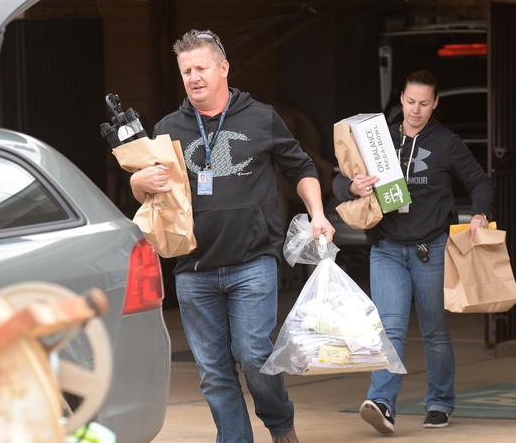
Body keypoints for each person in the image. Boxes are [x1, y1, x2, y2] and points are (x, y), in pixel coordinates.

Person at [130, 29, 334, 443]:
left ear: (223, 68)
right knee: (213, 372)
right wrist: (139, 179)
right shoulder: (168, 127)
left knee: (255, 357)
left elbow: (302, 168)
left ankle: (280, 424)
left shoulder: (260, 117)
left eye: (201, 68)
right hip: (193, 268)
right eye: (186, 71)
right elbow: (148, 197)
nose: (194, 77)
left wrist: (317, 213)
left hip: (252, 262)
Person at [332, 69, 492, 434]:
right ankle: (383, 403)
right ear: (400, 98)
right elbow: (338, 180)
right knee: (389, 329)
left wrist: (481, 214)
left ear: (435, 104)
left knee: (435, 331)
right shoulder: (379, 139)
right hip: (387, 248)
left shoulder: (447, 142)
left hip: (431, 249)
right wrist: (352, 187)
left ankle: (439, 402)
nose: (416, 110)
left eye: (424, 103)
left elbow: (480, 181)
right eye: (410, 102)